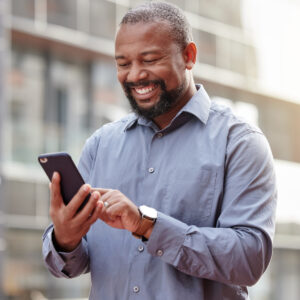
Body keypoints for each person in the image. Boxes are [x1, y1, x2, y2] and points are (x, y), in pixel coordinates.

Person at [42, 2, 277, 299]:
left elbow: (249, 259)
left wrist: (147, 225)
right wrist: (65, 238)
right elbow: (70, 263)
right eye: (123, 64)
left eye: (150, 60)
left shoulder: (240, 143)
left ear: (189, 56)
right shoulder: (101, 145)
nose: (136, 75)